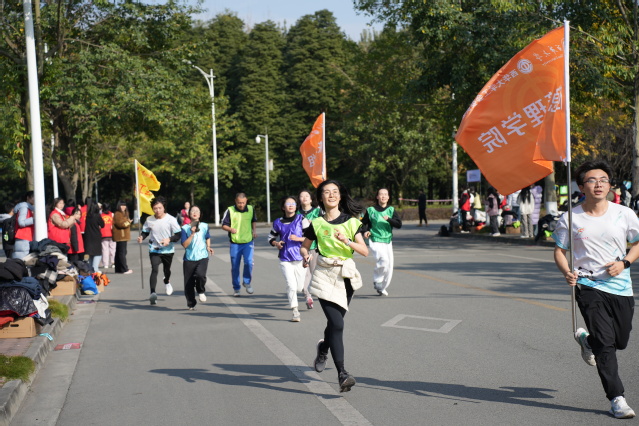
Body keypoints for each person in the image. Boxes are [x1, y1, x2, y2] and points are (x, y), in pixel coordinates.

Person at [553, 160, 639, 419]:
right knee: (606, 344)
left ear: (610, 185)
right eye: (592, 180)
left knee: (620, 340)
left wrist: (624, 263)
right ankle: (617, 398)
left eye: (603, 180)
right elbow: (559, 251)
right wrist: (567, 272)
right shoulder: (570, 217)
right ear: (581, 187)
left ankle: (587, 341)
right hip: (588, 285)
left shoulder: (624, 214)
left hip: (621, 287)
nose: (598, 184)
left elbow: (637, 243)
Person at [300, 179, 368, 393]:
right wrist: (305, 255)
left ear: (340, 196)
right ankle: (342, 374)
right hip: (324, 273)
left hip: (346, 275)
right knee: (337, 324)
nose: (331, 195)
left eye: (335, 191)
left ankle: (323, 348)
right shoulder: (317, 223)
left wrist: (347, 241)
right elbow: (304, 246)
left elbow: (364, 251)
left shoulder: (352, 222)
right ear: (320, 198)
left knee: (334, 324)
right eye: (327, 192)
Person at [137, 196, 182, 305]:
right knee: (154, 269)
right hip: (154, 249)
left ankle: (166, 281)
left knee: (167, 270)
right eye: (155, 208)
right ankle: (153, 293)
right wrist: (142, 237)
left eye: (159, 208)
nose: (157, 210)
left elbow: (178, 234)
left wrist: (169, 239)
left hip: (168, 250)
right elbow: (146, 231)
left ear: (164, 207)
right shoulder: (149, 219)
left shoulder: (171, 219)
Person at [269, 196, 306, 322]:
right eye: (288, 203)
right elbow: (270, 238)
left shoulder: (302, 219)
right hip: (285, 258)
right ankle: (295, 311)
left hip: (300, 257)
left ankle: (300, 294)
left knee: (299, 287)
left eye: (293, 203)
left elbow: (311, 237)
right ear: (283, 207)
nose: (291, 205)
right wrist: (276, 243)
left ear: (296, 206)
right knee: (291, 285)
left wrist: (298, 239)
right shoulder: (277, 222)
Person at [361, 188, 402, 296]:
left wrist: (389, 219)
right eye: (381, 194)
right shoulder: (371, 210)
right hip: (375, 239)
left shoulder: (391, 210)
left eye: (385, 194)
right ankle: (377, 280)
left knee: (389, 266)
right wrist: (365, 231)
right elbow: (363, 223)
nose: (383, 196)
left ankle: (382, 287)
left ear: (388, 197)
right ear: (377, 197)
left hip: (387, 240)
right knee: (384, 260)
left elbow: (399, 224)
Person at [221, 193, 257, 297]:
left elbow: (253, 221)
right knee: (235, 266)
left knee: (249, 262)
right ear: (235, 201)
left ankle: (247, 282)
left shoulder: (251, 209)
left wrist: (254, 231)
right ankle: (236, 288)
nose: (241, 205)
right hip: (235, 243)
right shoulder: (230, 210)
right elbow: (223, 225)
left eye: (243, 202)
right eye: (239, 203)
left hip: (248, 241)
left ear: (246, 201)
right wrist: (230, 229)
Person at [181, 204, 214, 310]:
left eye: (197, 211)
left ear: (200, 214)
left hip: (202, 256)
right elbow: (184, 245)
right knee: (188, 283)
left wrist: (208, 247)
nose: (195, 213)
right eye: (192, 211)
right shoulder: (185, 228)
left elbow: (207, 237)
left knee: (200, 275)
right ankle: (191, 304)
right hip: (189, 258)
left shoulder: (205, 226)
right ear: (189, 214)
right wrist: (192, 234)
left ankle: (200, 290)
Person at [298, 189, 322, 309]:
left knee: (313, 272)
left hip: (313, 246)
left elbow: (324, 225)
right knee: (304, 273)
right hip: (299, 247)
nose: (304, 198)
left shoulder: (318, 211)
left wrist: (315, 223)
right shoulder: (296, 213)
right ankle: (308, 296)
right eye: (302, 196)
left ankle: (316, 292)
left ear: (311, 199)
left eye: (307, 196)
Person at [83, 199, 105, 272]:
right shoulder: (97, 216)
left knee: (91, 254)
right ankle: (95, 268)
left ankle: (91, 269)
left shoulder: (88, 216)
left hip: (88, 237)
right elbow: (102, 224)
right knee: (98, 254)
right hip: (96, 236)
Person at [13, 191, 35, 259]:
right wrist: (34, 219)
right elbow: (21, 222)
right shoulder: (24, 207)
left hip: (26, 236)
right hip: (24, 236)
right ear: (28, 198)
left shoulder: (29, 208)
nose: (35, 199)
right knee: (22, 259)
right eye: (33, 197)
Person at [113, 201, 133, 274]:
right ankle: (124, 269)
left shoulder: (124, 213)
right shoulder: (118, 213)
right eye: (121, 205)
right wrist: (128, 222)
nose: (123, 207)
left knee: (119, 252)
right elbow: (120, 224)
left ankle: (118, 269)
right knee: (122, 253)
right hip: (121, 236)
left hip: (123, 236)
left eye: (124, 205)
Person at [100, 203, 116, 269]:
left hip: (103, 234)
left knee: (104, 249)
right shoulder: (112, 214)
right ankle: (113, 262)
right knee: (113, 249)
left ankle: (105, 264)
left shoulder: (100, 215)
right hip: (112, 234)